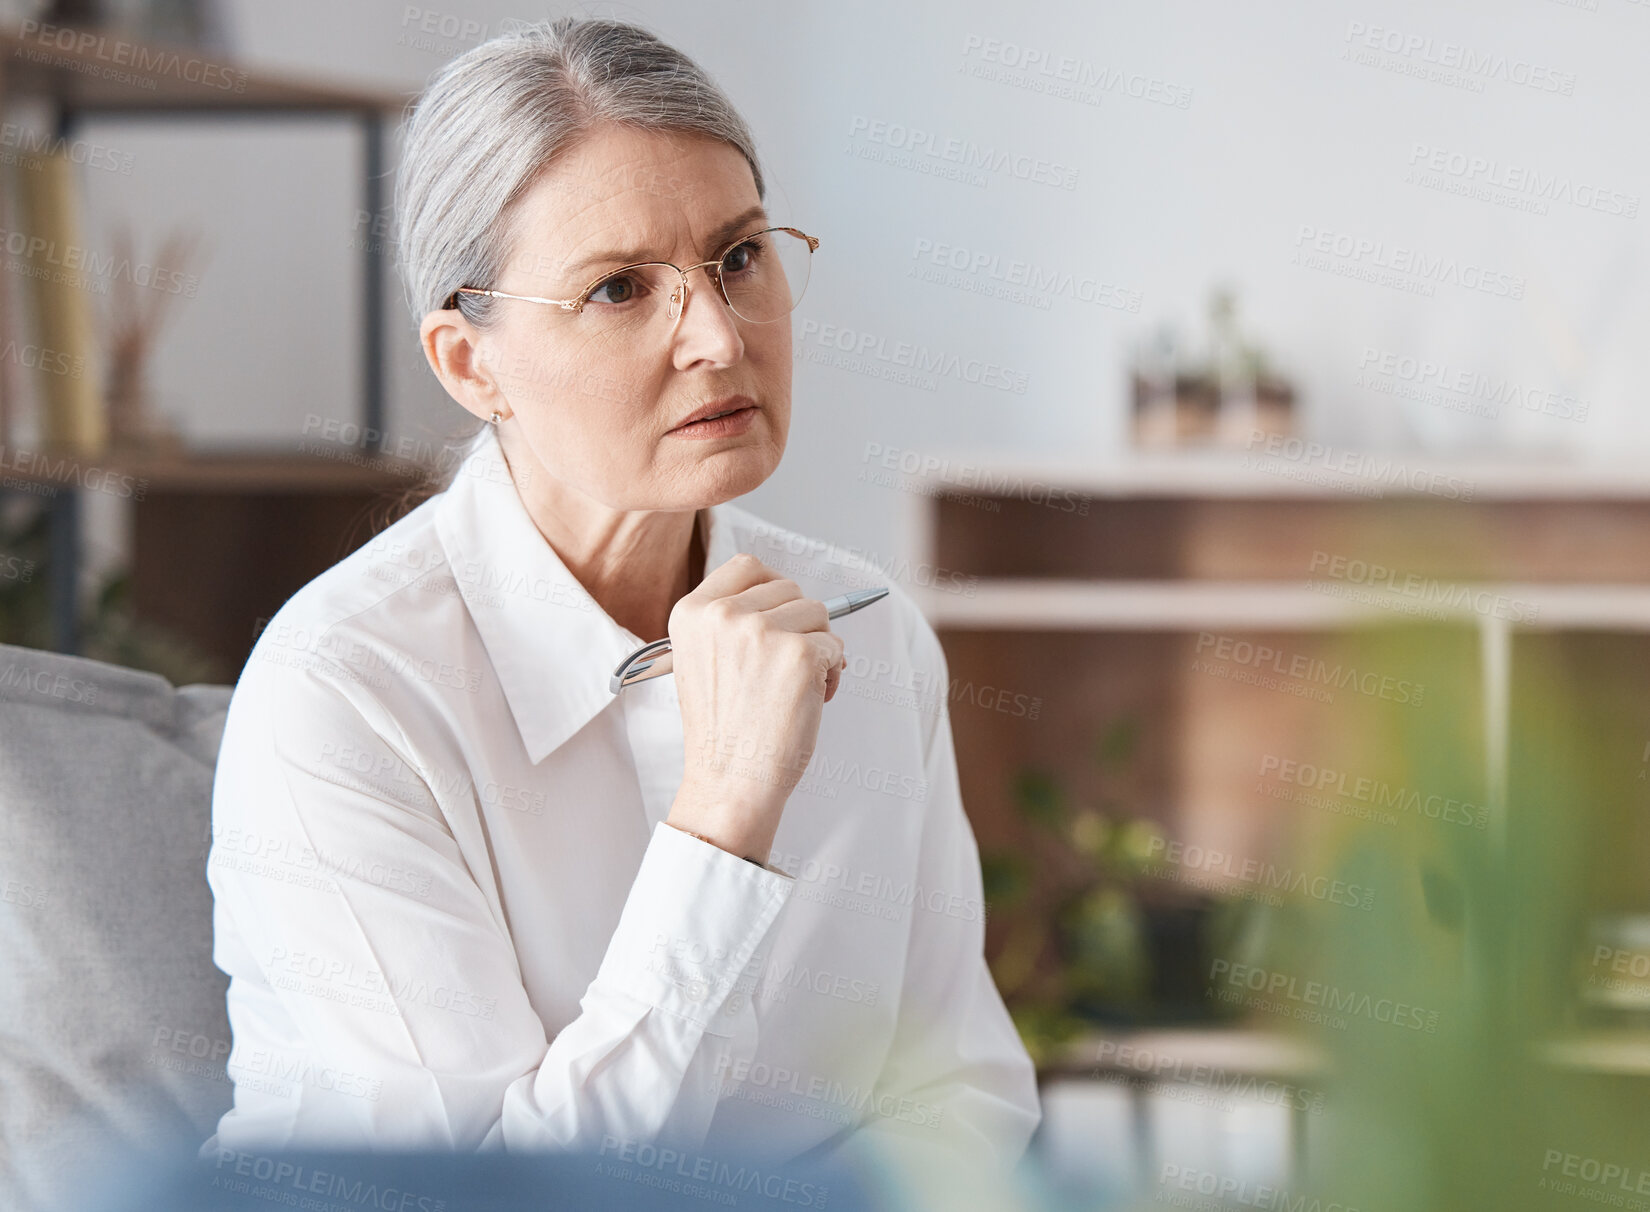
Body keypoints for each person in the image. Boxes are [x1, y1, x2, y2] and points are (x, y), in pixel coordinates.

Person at [200, 14, 1040, 1179]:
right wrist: (729, 806)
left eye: (739, 255)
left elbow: (957, 1093)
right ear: (469, 362)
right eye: (618, 289)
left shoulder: (872, 631)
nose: (715, 337)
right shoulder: (344, 693)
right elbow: (495, 1198)